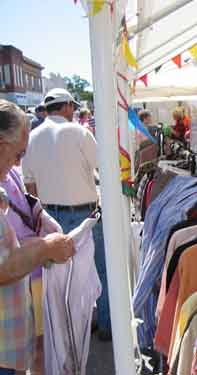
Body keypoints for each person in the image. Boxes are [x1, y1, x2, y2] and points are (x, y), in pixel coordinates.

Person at [21, 88, 112, 342]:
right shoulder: (81, 132)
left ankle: (66, 331)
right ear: (67, 107)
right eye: (72, 106)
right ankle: (104, 323)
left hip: (50, 215)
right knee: (100, 269)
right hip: (85, 214)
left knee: (58, 278)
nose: (73, 111)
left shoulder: (32, 137)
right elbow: (102, 167)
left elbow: (30, 186)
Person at [0, 99, 75, 375]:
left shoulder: (10, 173)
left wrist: (41, 216)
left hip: (11, 343)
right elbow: (3, 266)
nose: (18, 162)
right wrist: (45, 247)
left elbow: (25, 198)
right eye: (17, 154)